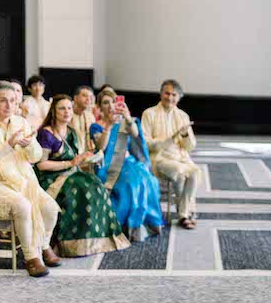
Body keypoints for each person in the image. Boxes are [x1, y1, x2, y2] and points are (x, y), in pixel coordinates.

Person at [0, 81, 62, 278]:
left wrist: (28, 145)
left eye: (12, 101)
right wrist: (7, 146)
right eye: (3, 101)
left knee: (51, 208)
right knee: (23, 205)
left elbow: (35, 157)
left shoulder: (21, 122)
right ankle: (31, 257)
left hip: (23, 180)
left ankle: (43, 245)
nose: (9, 105)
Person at [35, 95, 130, 256]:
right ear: (54, 111)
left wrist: (86, 158)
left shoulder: (71, 132)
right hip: (51, 177)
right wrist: (70, 164)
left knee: (95, 184)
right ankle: (71, 243)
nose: (67, 112)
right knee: (81, 190)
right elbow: (41, 164)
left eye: (69, 108)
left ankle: (97, 239)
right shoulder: (46, 133)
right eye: (62, 108)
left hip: (71, 173)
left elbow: (76, 159)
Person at [90, 89, 164, 242]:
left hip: (129, 162)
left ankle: (147, 223)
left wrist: (127, 117)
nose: (110, 105)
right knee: (131, 184)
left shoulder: (126, 122)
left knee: (149, 181)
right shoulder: (96, 126)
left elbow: (136, 135)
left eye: (113, 101)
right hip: (109, 166)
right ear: (99, 107)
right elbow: (101, 147)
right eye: (105, 102)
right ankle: (128, 226)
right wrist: (109, 126)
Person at [141, 80, 200, 229]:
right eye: (167, 93)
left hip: (181, 158)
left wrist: (186, 134)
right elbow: (146, 143)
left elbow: (190, 147)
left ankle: (183, 212)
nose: (170, 97)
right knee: (179, 173)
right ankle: (184, 215)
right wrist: (170, 139)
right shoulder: (149, 113)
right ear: (161, 94)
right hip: (159, 158)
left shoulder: (183, 116)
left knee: (195, 172)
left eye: (174, 94)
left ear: (179, 97)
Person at [71, 85, 96, 153]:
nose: (88, 99)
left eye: (90, 97)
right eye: (84, 95)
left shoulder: (90, 116)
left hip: (87, 155)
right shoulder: (68, 114)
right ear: (75, 98)